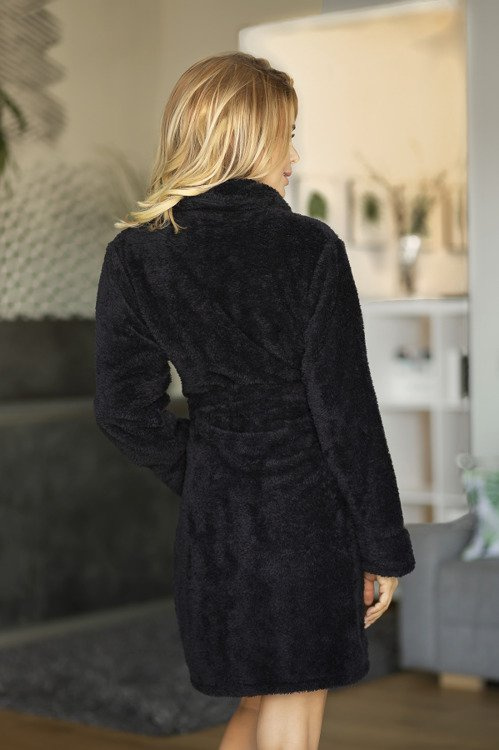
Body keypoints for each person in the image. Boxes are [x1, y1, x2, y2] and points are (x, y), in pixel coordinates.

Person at [93, 51, 416, 750]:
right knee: (292, 710)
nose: (295, 155)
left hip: (217, 526)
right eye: (286, 135)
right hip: (305, 523)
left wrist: (206, 470)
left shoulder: (137, 256)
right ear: (245, 136)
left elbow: (123, 411)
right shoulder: (307, 248)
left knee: (256, 702)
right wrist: (383, 547)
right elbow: (346, 415)